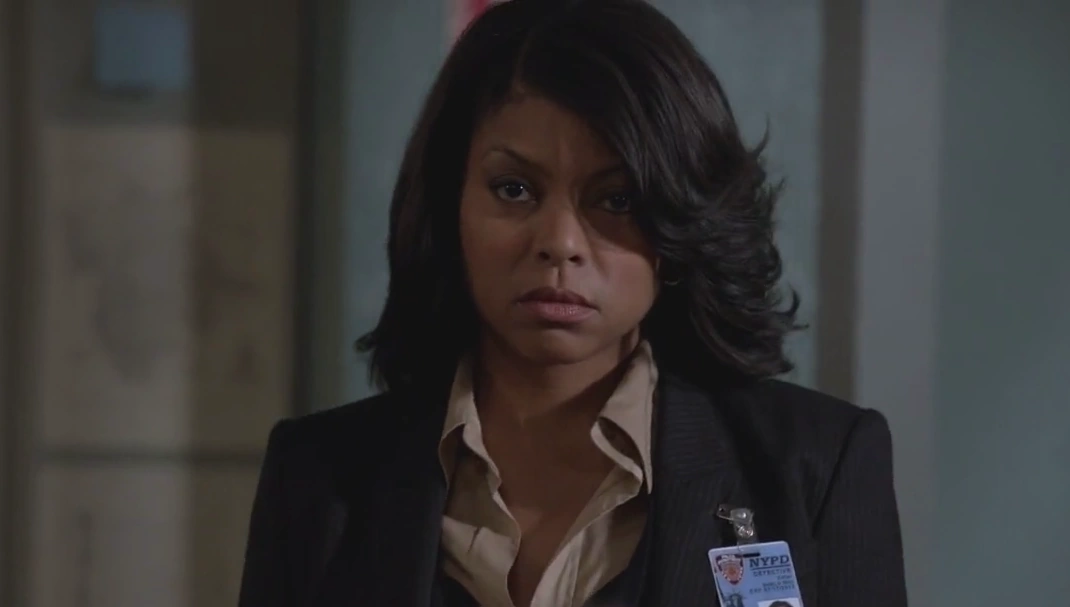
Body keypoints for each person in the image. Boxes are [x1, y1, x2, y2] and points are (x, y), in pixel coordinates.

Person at [237, 0, 908, 606]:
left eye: (616, 199)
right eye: (513, 189)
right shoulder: (317, 477)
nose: (559, 243)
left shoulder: (817, 467)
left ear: (680, 221)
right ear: (448, 202)